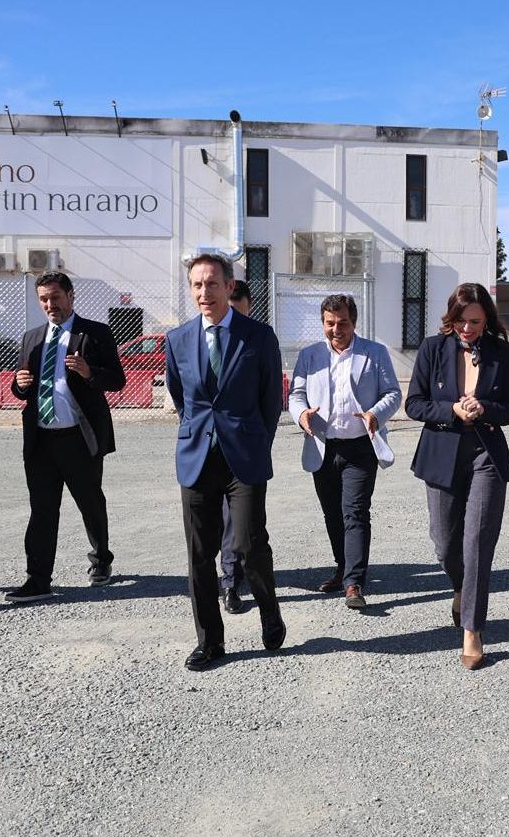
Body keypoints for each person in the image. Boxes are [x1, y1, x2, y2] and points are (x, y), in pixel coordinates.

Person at [166, 255, 286, 671]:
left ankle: (270, 610)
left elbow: (271, 401)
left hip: (244, 458)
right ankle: (210, 641)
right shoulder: (178, 339)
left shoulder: (258, 336)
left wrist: (255, 442)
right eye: (197, 285)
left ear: (229, 285)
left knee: (248, 545)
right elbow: (184, 399)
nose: (204, 293)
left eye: (212, 284)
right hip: (197, 456)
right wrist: (200, 432)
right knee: (199, 554)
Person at [405, 283, 509, 670]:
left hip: (486, 454)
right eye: (460, 321)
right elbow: (415, 405)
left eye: (474, 321)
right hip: (441, 453)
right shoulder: (431, 349)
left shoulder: (503, 354)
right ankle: (460, 588)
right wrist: (451, 410)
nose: (467, 329)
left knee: (477, 542)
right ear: (450, 318)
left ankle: (472, 629)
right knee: (444, 542)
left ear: (486, 317)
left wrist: (484, 407)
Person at [5, 272, 126, 602]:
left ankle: (101, 559)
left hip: (78, 437)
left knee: (90, 502)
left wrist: (89, 373)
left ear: (71, 297)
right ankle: (38, 578)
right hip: (41, 439)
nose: (49, 305)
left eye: (55, 297)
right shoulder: (32, 337)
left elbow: (117, 381)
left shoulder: (95, 334)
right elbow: (21, 388)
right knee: (42, 509)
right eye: (43, 299)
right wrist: (20, 385)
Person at [288, 294, 403, 609]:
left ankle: (354, 582)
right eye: (330, 323)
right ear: (323, 322)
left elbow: (393, 392)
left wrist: (375, 413)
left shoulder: (374, 353)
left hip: (360, 447)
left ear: (354, 322)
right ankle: (342, 568)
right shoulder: (310, 356)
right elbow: (296, 394)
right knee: (333, 513)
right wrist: (301, 415)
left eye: (343, 323)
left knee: (355, 511)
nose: (336, 329)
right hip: (323, 446)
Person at [218, 279, 255, 612]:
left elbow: (269, 399)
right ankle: (229, 576)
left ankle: (231, 581)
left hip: (244, 450)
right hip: (207, 448)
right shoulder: (200, 338)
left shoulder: (257, 339)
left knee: (239, 520)